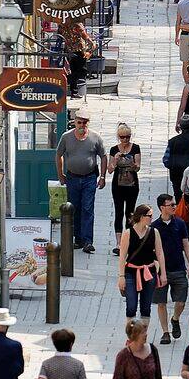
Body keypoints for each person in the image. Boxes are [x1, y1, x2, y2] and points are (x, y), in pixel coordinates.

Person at [56, 110, 108, 253]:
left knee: (87, 208)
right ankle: (77, 239)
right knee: (74, 208)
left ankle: (87, 241)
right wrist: (60, 174)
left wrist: (102, 177)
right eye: (79, 122)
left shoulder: (95, 137)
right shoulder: (66, 137)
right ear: (75, 122)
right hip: (72, 177)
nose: (81, 125)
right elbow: (59, 154)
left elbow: (103, 156)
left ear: (88, 123)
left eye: (84, 123)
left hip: (89, 178)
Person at [152, 193, 189, 345]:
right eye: (171, 205)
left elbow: (186, 245)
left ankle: (175, 318)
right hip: (160, 271)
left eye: (174, 204)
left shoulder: (180, 223)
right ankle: (165, 332)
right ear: (162, 207)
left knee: (181, 301)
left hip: (178, 268)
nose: (174, 207)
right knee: (161, 303)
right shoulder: (154, 227)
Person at [118, 206, 167, 325]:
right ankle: (131, 334)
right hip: (131, 273)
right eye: (149, 216)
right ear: (141, 217)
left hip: (149, 273)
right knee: (131, 306)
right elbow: (122, 256)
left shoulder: (154, 232)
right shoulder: (128, 233)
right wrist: (121, 276)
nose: (151, 218)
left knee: (146, 307)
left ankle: (143, 335)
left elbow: (160, 254)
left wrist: (163, 274)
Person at [111, 123, 142, 254]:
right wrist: (115, 160)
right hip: (118, 186)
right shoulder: (114, 150)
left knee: (130, 212)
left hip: (132, 185)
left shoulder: (135, 148)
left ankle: (128, 241)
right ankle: (118, 243)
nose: (125, 140)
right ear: (119, 137)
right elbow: (110, 169)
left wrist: (133, 164)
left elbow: (138, 167)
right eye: (123, 137)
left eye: (128, 137)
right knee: (118, 212)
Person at [165, 115, 189, 194]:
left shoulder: (172, 141)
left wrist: (173, 167)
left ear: (180, 127)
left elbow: (166, 160)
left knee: (179, 198)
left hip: (176, 175)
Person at [58, 20, 96, 98]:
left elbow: (60, 33)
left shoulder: (63, 23)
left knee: (74, 70)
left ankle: (74, 92)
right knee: (82, 71)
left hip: (69, 50)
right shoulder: (77, 23)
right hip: (79, 50)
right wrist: (91, 42)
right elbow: (83, 34)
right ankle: (66, 80)